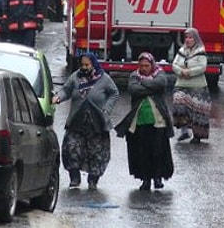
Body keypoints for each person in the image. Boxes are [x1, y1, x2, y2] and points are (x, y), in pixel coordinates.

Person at [52, 53, 119, 190]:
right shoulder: (75, 77)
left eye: (87, 65)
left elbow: (114, 93)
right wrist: (58, 97)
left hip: (97, 123)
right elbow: (66, 90)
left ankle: (93, 179)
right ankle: (74, 178)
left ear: (93, 64)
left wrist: (107, 109)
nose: (84, 67)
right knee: (72, 149)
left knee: (97, 153)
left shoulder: (104, 79)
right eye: (82, 65)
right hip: (77, 121)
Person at [115, 52, 175, 191]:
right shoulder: (133, 76)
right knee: (143, 152)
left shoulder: (159, 74)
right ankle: (146, 180)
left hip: (158, 121)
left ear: (152, 65)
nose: (143, 68)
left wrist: (144, 83)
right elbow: (134, 90)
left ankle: (158, 178)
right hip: (140, 121)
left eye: (147, 66)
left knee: (158, 151)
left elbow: (160, 84)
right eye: (141, 66)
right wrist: (151, 87)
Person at [172, 27, 211, 143]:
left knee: (198, 111)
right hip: (181, 85)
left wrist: (189, 72)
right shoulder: (182, 51)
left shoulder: (201, 52)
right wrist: (180, 71)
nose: (188, 40)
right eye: (186, 38)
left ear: (196, 39)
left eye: (190, 38)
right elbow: (174, 64)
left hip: (198, 87)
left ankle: (197, 136)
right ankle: (184, 131)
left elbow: (202, 67)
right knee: (178, 102)